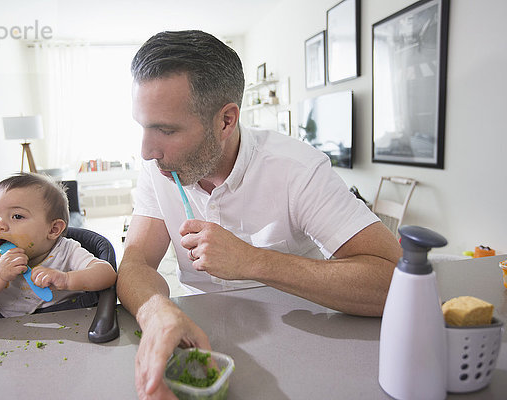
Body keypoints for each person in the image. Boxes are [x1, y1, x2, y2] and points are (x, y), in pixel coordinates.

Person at [117, 30, 401, 399]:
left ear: (226, 120)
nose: (147, 151)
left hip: (311, 350)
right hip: (200, 345)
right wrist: (156, 313)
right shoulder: (160, 169)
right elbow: (136, 263)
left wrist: (253, 261)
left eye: (166, 130)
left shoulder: (297, 169)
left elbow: (393, 282)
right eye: (143, 126)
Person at [0, 173, 117, 318]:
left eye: (17, 216)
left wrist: (67, 279)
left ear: (53, 229)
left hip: (70, 322)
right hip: (13, 334)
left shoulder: (66, 251)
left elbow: (107, 274)